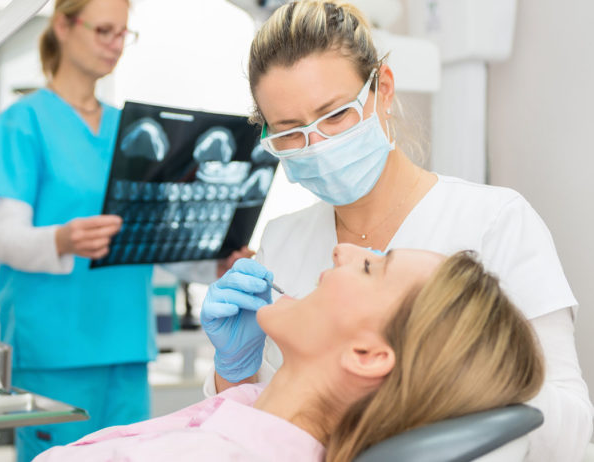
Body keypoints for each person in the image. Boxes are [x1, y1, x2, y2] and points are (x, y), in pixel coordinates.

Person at [199, 1, 593, 461]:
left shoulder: (495, 221)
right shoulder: (283, 241)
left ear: (382, 89)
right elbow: (260, 433)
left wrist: (438, 367)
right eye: (290, 132)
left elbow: (571, 430)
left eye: (335, 115)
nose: (318, 146)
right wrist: (234, 373)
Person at [0, 0, 250, 459]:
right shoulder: (24, 121)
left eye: (124, 33)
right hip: (54, 350)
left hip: (126, 345)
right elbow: (5, 241)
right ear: (63, 25)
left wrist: (215, 266)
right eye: (104, 30)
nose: (115, 44)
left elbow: (149, 239)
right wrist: (61, 239)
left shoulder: (132, 130)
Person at [33, 245, 544, 462]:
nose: (343, 251)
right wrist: (235, 371)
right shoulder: (250, 422)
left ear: (367, 354)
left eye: (372, 267)